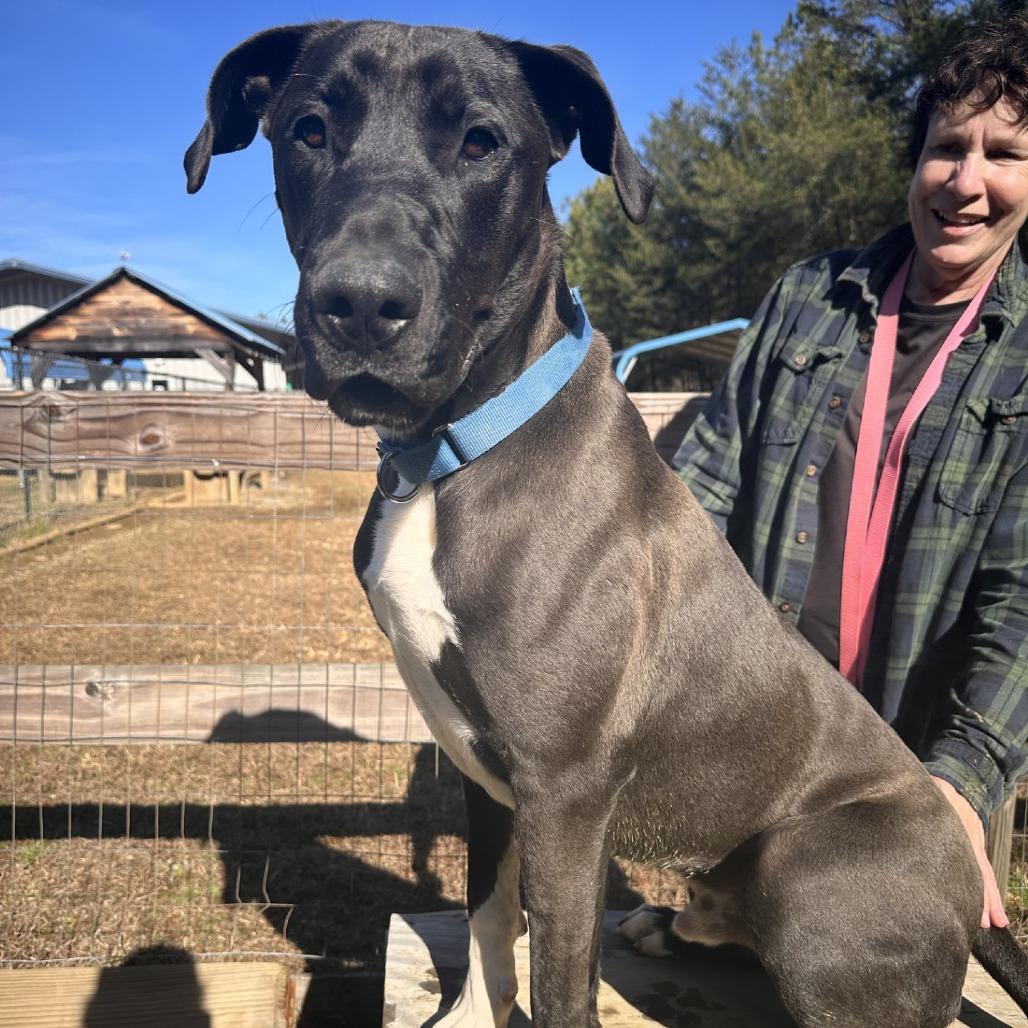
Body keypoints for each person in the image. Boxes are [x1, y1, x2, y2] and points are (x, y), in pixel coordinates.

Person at [673, 15, 1028, 931]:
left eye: (1005, 154)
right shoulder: (806, 298)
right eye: (948, 147)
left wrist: (959, 784)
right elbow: (702, 490)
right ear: (916, 163)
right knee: (745, 931)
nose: (968, 180)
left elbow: (1021, 606)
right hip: (762, 734)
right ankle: (724, 918)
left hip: (909, 771)